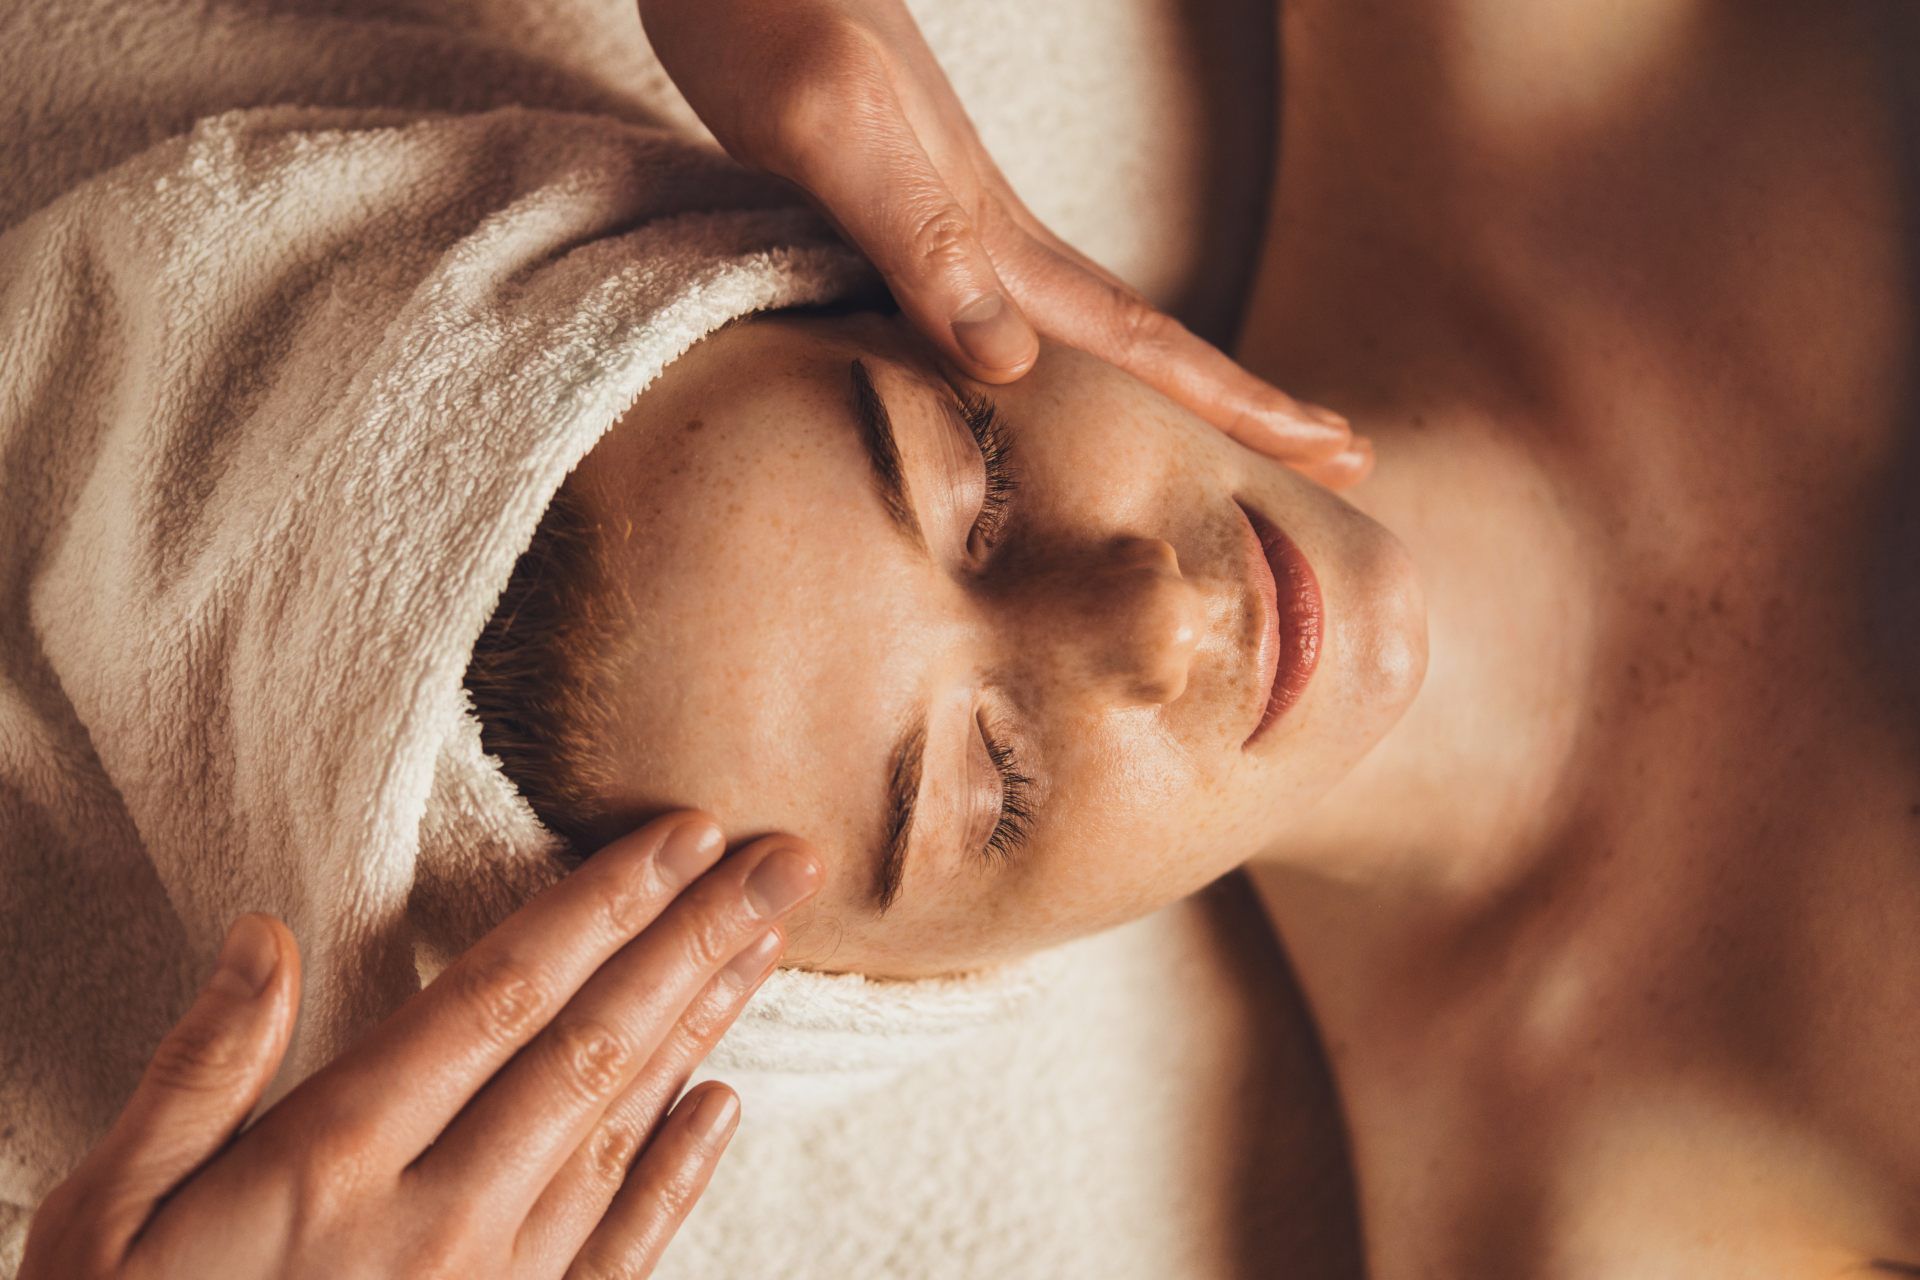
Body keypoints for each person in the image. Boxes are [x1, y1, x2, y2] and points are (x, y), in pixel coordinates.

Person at [20, 0, 1920, 1275]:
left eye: (974, 483)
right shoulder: (1628, 1209)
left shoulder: (1541, 52)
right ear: (885, 1000)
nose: (1161, 619)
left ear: (843, 262)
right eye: (985, 793)